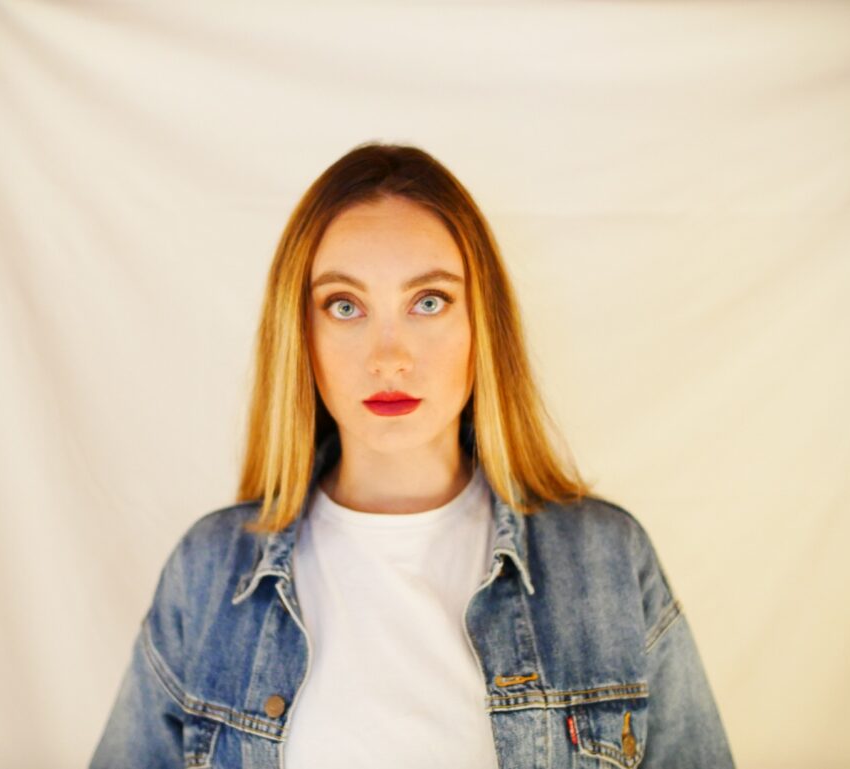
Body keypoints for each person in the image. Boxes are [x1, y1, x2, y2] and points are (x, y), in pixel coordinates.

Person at [89, 142, 736, 769]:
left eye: (429, 302)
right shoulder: (208, 572)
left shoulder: (605, 559)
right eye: (345, 306)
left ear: (482, 324)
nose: (389, 357)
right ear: (301, 334)